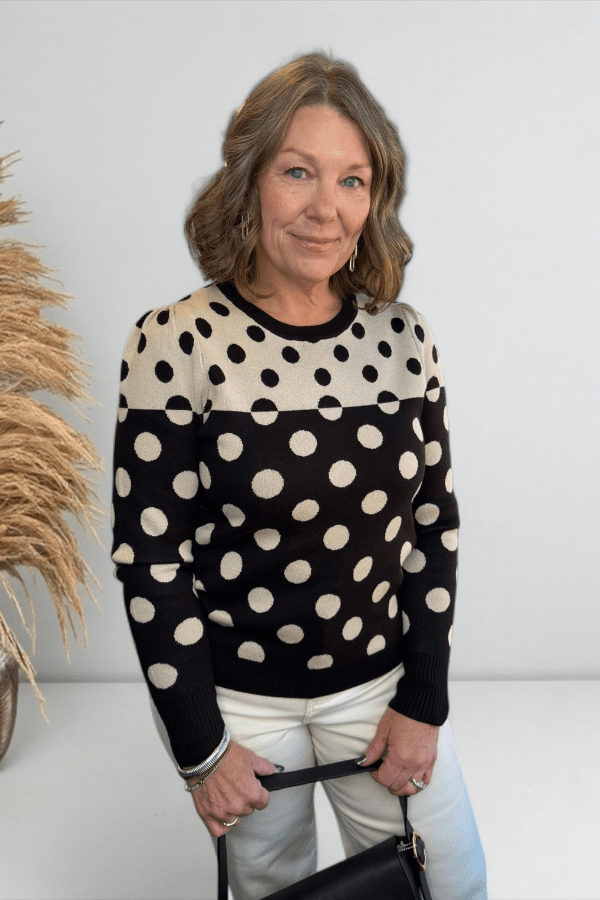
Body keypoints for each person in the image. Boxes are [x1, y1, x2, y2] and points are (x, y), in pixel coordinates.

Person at [111, 51, 487, 899]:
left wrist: (423, 700)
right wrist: (203, 747)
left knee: (450, 882)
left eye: (353, 180)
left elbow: (435, 528)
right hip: (242, 706)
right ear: (249, 184)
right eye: (298, 172)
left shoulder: (403, 338)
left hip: (382, 689)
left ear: (375, 198)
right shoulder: (177, 341)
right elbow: (151, 558)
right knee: (276, 891)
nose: (327, 208)